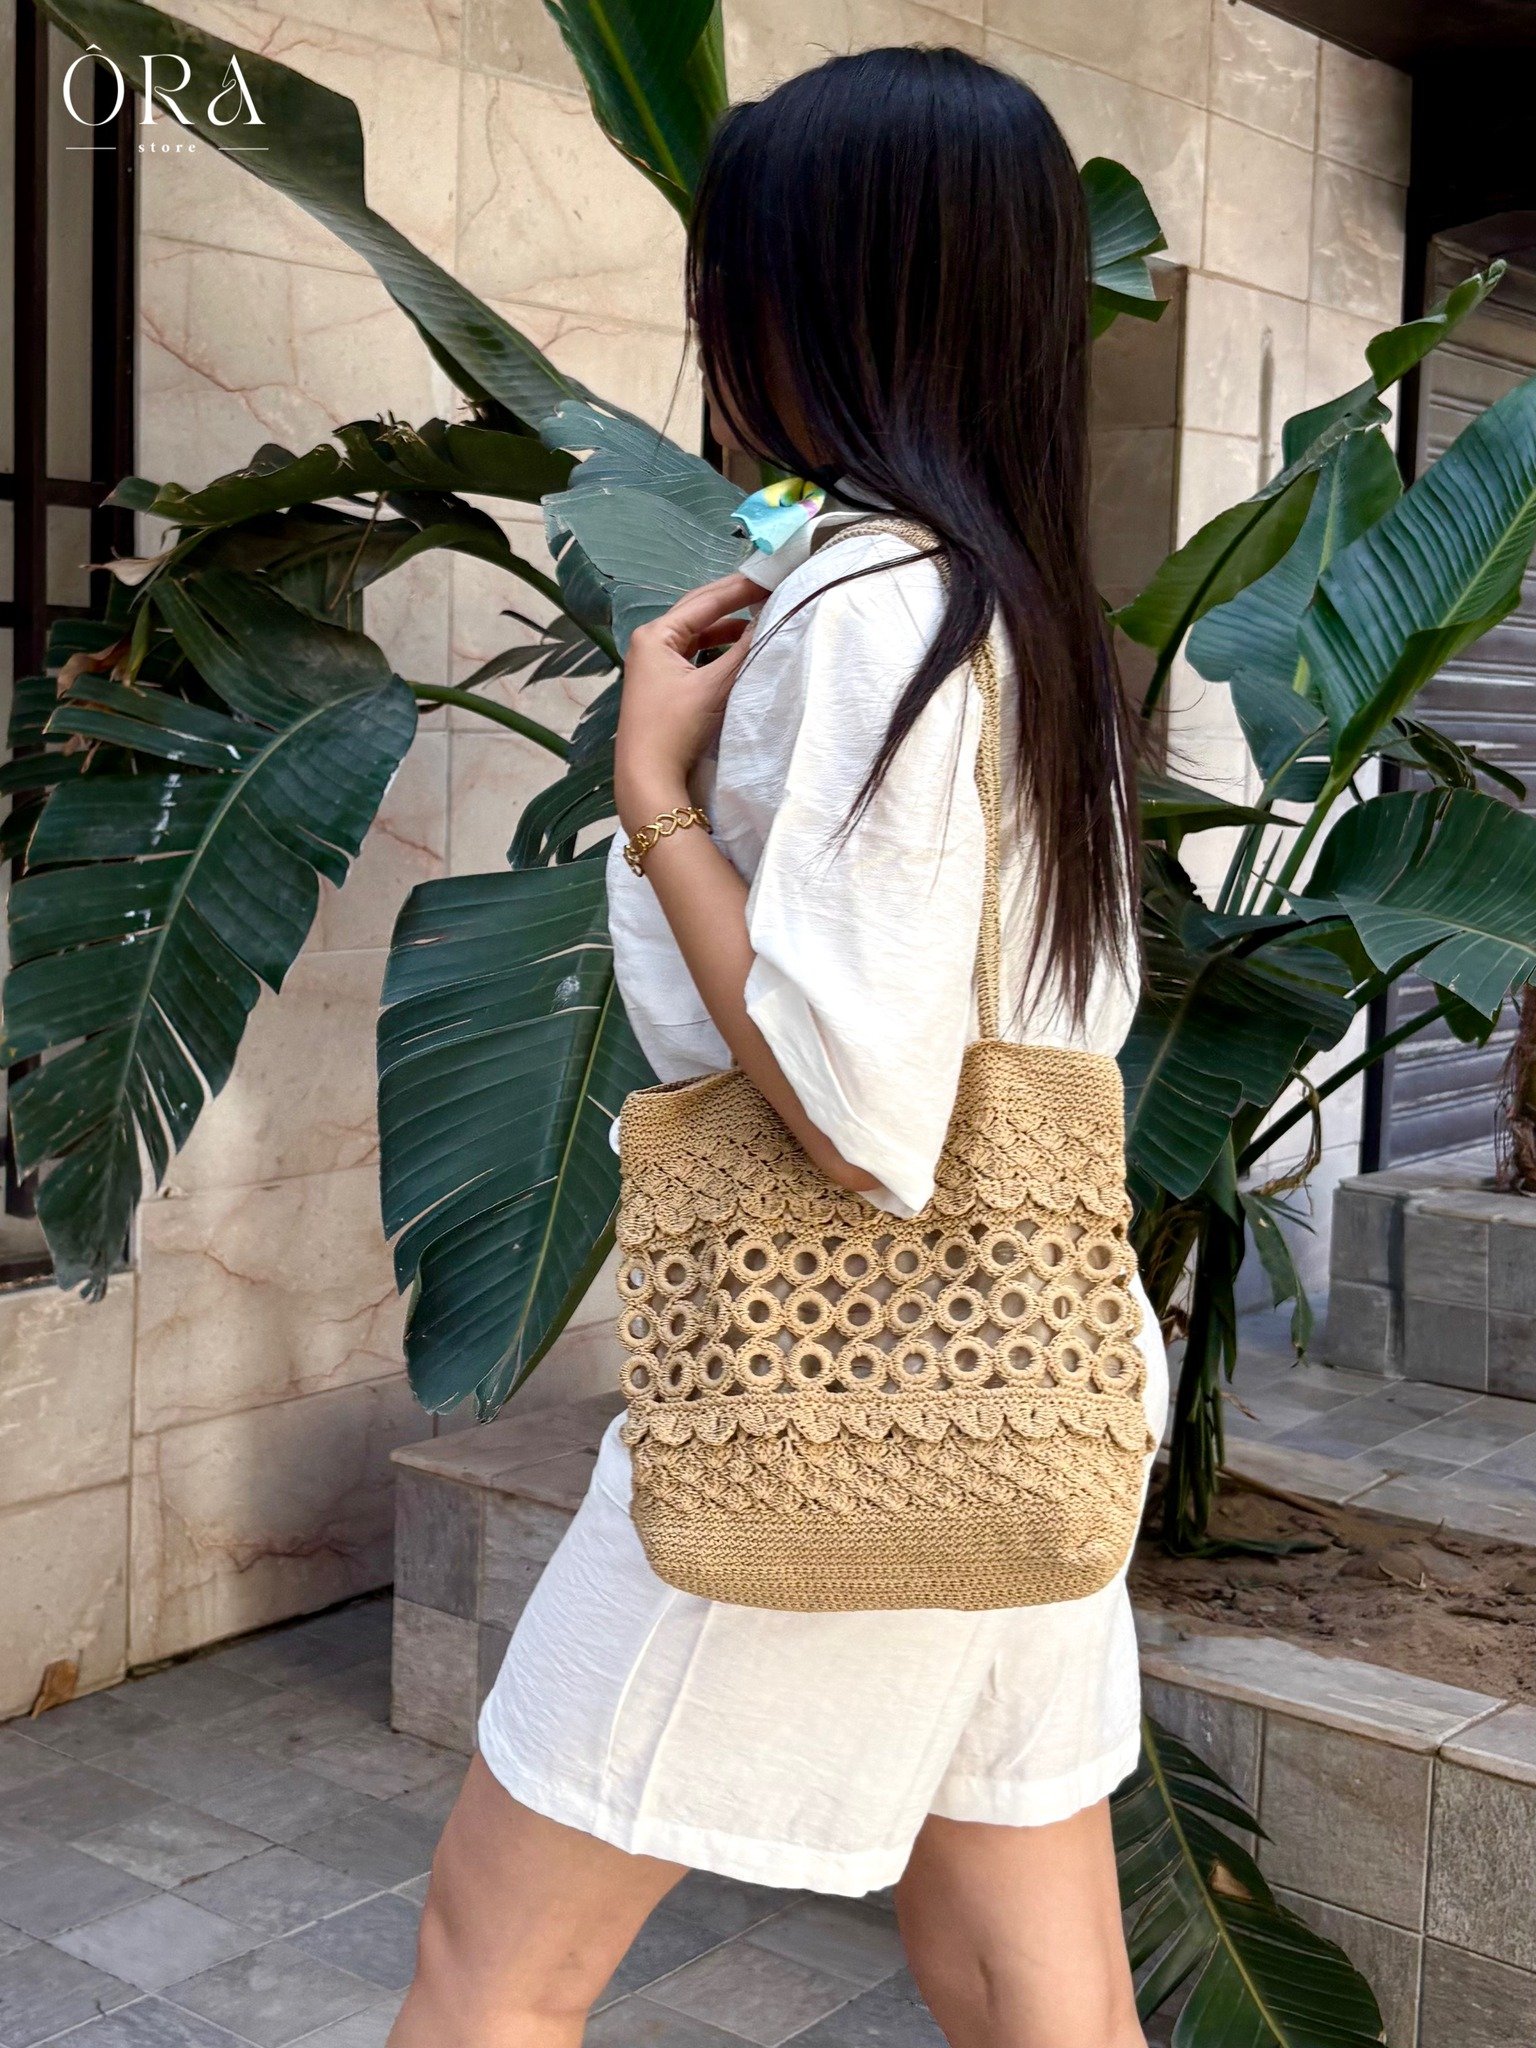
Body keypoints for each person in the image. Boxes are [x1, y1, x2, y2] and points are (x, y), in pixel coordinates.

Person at [391, 44, 1165, 2048]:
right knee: (1033, 1979)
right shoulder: (1019, 609)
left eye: (732, 276)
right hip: (1030, 1388)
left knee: (491, 1965)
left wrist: (653, 787)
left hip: (834, 1397)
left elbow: (855, 1108)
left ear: (815, 298)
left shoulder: (879, 612)